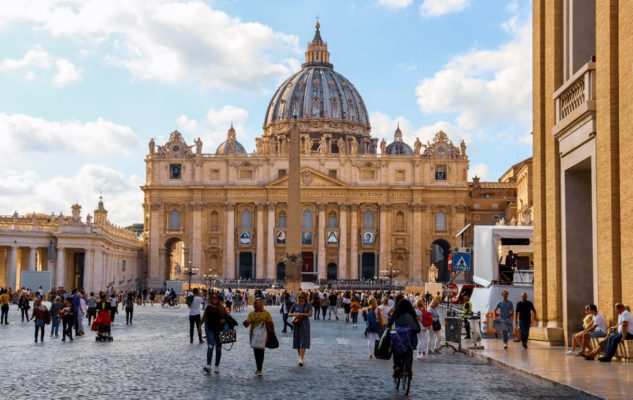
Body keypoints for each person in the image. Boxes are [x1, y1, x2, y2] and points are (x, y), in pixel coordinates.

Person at [387, 299, 420, 378]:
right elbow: (417, 328)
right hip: (410, 338)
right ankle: (409, 369)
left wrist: (387, 328)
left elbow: (390, 323)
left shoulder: (397, 312)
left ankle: (397, 366)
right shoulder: (411, 313)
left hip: (399, 337)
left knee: (396, 350)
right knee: (409, 350)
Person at [244, 298, 274, 376]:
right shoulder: (251, 314)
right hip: (254, 336)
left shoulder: (266, 313)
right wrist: (245, 322)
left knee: (261, 352)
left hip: (263, 336)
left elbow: (271, 324)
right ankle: (258, 368)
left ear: (260, 304)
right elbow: (247, 324)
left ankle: (259, 368)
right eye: (254, 303)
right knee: (256, 352)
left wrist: (265, 323)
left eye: (255, 303)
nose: (254, 305)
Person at [201, 292, 227, 373]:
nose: (214, 299)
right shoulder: (208, 308)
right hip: (210, 329)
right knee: (210, 346)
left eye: (216, 298)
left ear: (218, 299)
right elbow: (204, 317)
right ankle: (208, 365)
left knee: (218, 348)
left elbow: (227, 317)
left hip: (219, 330)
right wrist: (199, 326)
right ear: (210, 299)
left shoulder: (222, 308)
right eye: (212, 298)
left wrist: (224, 320)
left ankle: (216, 366)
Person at [289, 291, 313, 366]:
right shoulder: (295, 305)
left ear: (305, 297)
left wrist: (302, 314)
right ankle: (300, 357)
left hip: (305, 324)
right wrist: (295, 314)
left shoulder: (308, 305)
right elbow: (289, 314)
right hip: (297, 324)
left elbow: (310, 314)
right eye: (299, 297)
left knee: (303, 341)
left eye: (302, 297)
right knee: (298, 340)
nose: (301, 299)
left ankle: (301, 359)